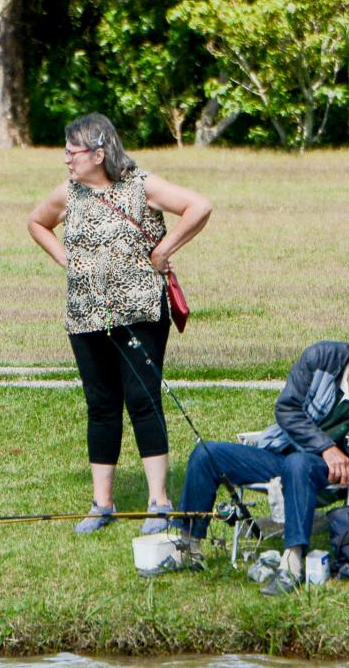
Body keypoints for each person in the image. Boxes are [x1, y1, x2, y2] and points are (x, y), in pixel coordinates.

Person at [27, 112, 212, 536]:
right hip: (84, 315)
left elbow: (199, 207)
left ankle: (158, 502)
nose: (66, 159)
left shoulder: (140, 185)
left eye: (72, 151)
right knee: (101, 404)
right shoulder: (68, 194)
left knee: (142, 399)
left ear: (98, 152)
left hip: (141, 313)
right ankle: (101, 503)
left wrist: (164, 251)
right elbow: (37, 223)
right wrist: (65, 260)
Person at [165, 332, 349, 596]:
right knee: (206, 454)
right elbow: (286, 409)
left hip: (333, 475)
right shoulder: (320, 358)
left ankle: (292, 562)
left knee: (299, 464)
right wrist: (326, 447)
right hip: (280, 455)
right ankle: (188, 546)